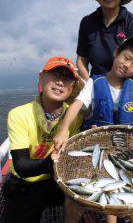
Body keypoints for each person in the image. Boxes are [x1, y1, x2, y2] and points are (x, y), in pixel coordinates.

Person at [53, 34, 133, 223]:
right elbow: (76, 105)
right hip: (100, 152)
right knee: (109, 200)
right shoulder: (94, 83)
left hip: (131, 152)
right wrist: (63, 131)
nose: (128, 65)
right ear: (116, 53)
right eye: (126, 58)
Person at [1, 57, 83, 223]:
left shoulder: (76, 118)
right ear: (41, 77)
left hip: (57, 183)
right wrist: (49, 163)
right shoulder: (19, 114)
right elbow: (21, 166)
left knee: (79, 199)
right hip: (26, 183)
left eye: (66, 79)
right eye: (55, 75)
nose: (60, 82)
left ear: (72, 87)